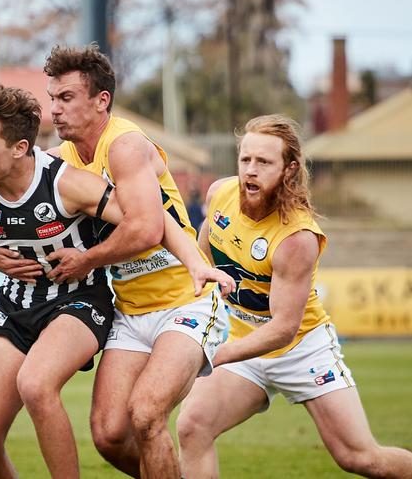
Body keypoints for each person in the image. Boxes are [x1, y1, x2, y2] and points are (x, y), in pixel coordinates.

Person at [0, 84, 232, 479]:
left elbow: (149, 217)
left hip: (78, 301)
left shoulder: (66, 183)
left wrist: (195, 263)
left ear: (19, 149)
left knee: (35, 383)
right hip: (17, 303)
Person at [0, 44, 231, 478]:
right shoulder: (60, 161)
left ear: (101, 101)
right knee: (109, 434)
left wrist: (87, 260)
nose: (54, 110)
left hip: (184, 304)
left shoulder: (125, 145)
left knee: (146, 414)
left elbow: (145, 228)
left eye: (66, 98)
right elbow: (21, 205)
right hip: (130, 311)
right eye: (51, 98)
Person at [176, 114, 412, 478]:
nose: (250, 171)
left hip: (301, 349)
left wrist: (211, 354)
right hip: (243, 343)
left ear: (289, 170)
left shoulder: (297, 236)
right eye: (245, 160)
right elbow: (204, 253)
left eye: (264, 162)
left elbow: (284, 328)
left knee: (359, 457)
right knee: (192, 426)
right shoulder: (219, 193)